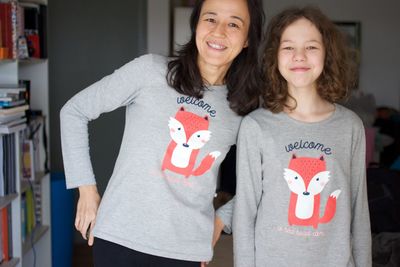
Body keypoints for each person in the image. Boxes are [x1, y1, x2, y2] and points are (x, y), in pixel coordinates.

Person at [59, 0, 265, 266]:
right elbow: (74, 111)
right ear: (197, 24)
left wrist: (220, 222)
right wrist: (86, 190)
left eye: (234, 23)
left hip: (184, 251)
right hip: (119, 238)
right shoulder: (150, 71)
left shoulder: (242, 107)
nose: (219, 31)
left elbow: (266, 181)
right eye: (210, 19)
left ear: (248, 38)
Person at [233, 6, 371, 267]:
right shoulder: (256, 126)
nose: (299, 56)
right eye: (288, 47)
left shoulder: (350, 126)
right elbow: (245, 213)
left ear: (327, 54)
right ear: (275, 57)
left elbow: (359, 210)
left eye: (311, 47)